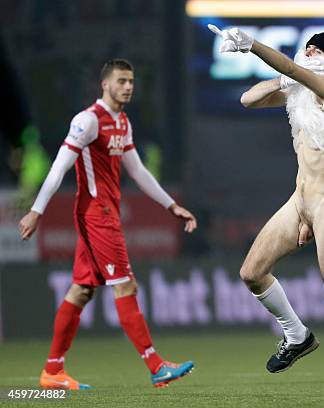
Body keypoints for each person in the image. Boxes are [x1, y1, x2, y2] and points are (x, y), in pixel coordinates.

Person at [208, 25, 324, 396]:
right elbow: (248, 99)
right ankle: (297, 335)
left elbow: (292, 70)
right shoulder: (301, 93)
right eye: (306, 50)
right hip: (300, 201)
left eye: (314, 52)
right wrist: (278, 80)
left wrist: (253, 45)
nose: (308, 55)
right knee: (252, 272)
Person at [18, 59, 198, 389]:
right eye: (121, 81)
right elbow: (59, 167)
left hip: (106, 213)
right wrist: (37, 210)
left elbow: (138, 171)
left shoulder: (122, 122)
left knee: (82, 290)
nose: (128, 86)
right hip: (96, 215)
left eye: (131, 81)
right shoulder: (88, 121)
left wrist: (171, 205)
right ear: (105, 84)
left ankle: (53, 371)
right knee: (126, 285)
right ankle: (156, 366)